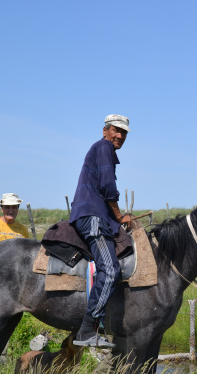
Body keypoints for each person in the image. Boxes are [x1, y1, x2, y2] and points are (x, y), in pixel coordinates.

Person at [69, 114, 133, 348]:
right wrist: (119, 215)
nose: (119, 135)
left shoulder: (103, 149)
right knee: (110, 269)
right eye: (115, 130)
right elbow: (108, 186)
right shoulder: (104, 147)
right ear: (104, 130)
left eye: (123, 132)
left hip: (94, 214)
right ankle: (88, 329)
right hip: (93, 216)